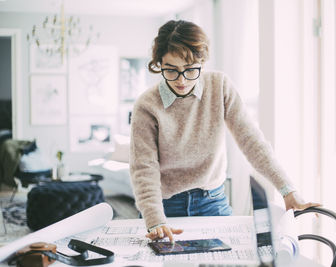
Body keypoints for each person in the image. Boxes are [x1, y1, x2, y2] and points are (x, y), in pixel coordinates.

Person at [130, 20, 320, 243]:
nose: (181, 80)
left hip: (212, 201)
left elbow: (252, 141)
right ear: (159, 63)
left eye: (190, 70)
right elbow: (144, 168)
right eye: (171, 70)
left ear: (202, 62)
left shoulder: (219, 87)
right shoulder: (147, 105)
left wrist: (287, 190)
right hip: (164, 206)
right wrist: (155, 219)